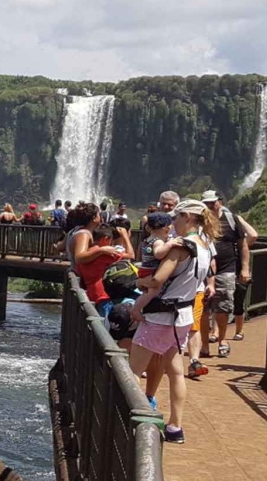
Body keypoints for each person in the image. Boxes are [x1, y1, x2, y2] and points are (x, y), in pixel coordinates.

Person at [130, 200, 219, 444]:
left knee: (134, 371)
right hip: (183, 316)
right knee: (176, 373)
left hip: (161, 316)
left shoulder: (181, 248)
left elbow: (157, 280)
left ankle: (139, 420)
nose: (173, 223)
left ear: (188, 217)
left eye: (177, 217)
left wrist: (139, 283)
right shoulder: (206, 246)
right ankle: (175, 427)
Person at [200, 190, 254, 357]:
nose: (209, 206)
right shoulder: (199, 220)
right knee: (203, 308)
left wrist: (245, 268)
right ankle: (204, 344)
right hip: (204, 270)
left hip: (227, 269)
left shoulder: (232, 219)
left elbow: (243, 245)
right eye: (206, 203)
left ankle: (222, 340)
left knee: (223, 307)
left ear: (220, 201)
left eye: (212, 202)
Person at [76, 226, 129, 310]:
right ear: (106, 238)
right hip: (103, 294)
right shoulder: (105, 255)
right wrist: (125, 236)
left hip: (91, 293)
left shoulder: (86, 254)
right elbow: (131, 255)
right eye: (110, 240)